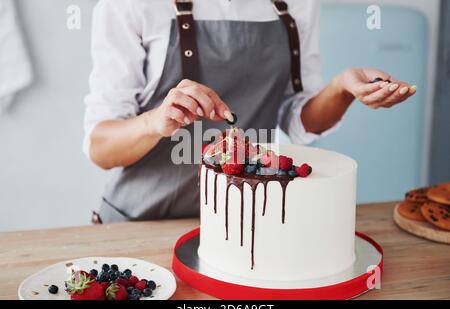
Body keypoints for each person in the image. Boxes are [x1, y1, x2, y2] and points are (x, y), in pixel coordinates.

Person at [84, 0, 416, 223]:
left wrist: (341, 88)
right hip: (138, 226)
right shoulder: (128, 6)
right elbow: (101, 148)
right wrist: (153, 122)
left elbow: (297, 117)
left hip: (243, 227)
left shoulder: (296, 5)